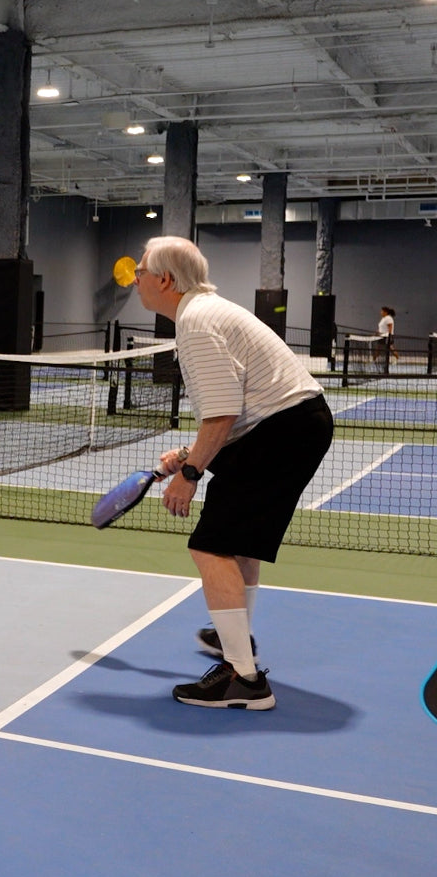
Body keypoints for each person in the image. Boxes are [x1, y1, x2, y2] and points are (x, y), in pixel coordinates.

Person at [135, 236, 333, 710]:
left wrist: (190, 471)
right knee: (238, 542)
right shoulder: (208, 311)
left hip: (282, 432)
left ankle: (243, 678)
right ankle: (236, 642)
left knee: (209, 545)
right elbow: (236, 410)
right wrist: (187, 452)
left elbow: (223, 416)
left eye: (140, 270)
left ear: (164, 279)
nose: (136, 278)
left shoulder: (197, 323)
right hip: (293, 425)